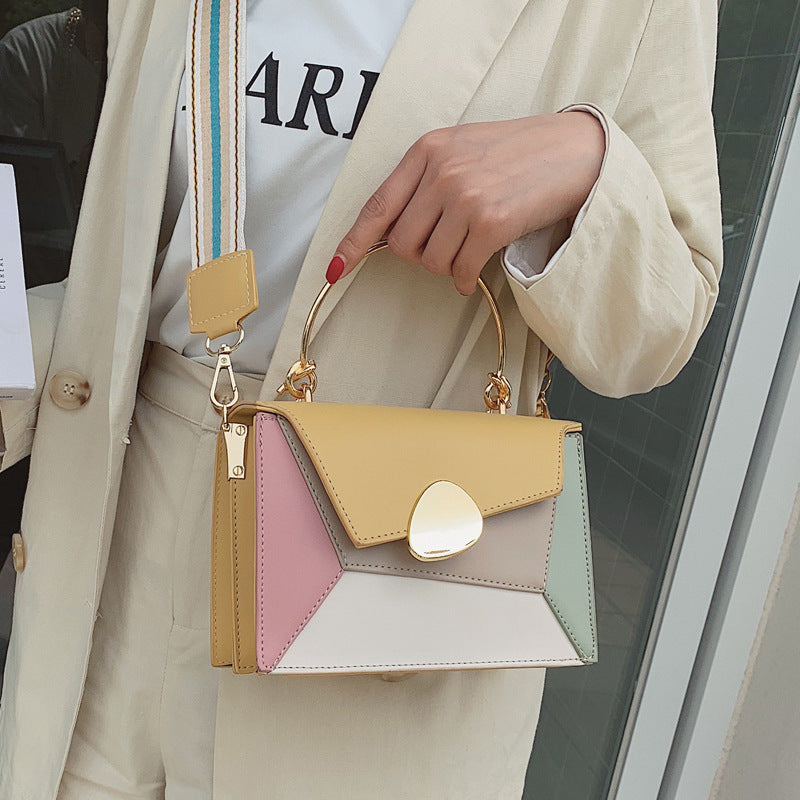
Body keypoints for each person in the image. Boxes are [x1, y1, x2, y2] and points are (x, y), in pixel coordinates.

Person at [0, 0, 722, 798]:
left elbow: (660, 325)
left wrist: (588, 167)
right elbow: (137, 263)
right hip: (115, 550)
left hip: (378, 572)